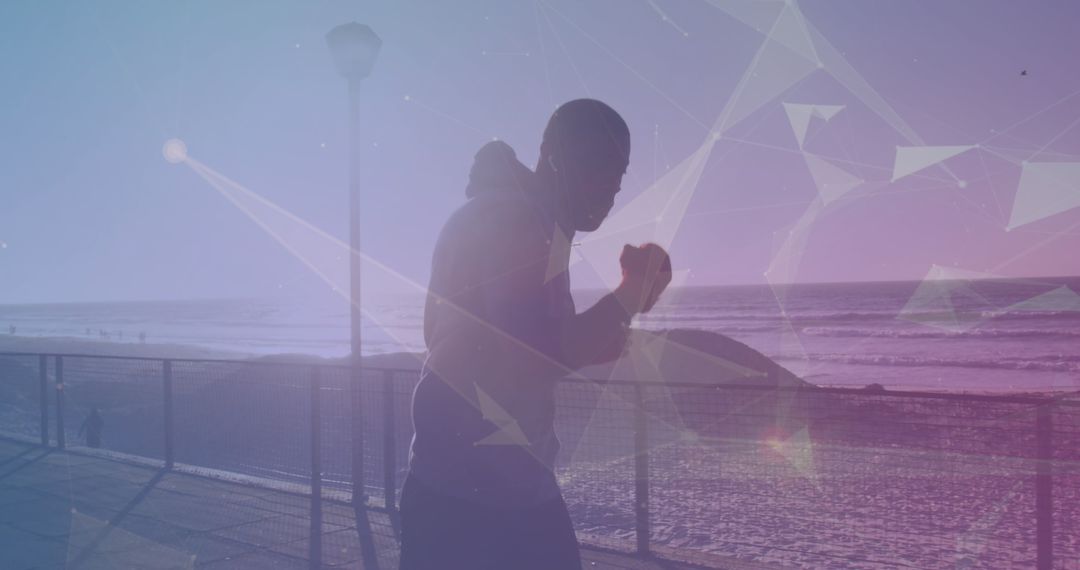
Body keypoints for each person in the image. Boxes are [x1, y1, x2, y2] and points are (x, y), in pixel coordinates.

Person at [399, 99, 672, 570]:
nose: (613, 186)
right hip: (476, 496)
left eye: (620, 172)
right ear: (554, 155)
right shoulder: (515, 220)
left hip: (475, 480)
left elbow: (445, 333)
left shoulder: (522, 220)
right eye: (600, 164)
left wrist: (588, 338)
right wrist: (630, 293)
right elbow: (535, 353)